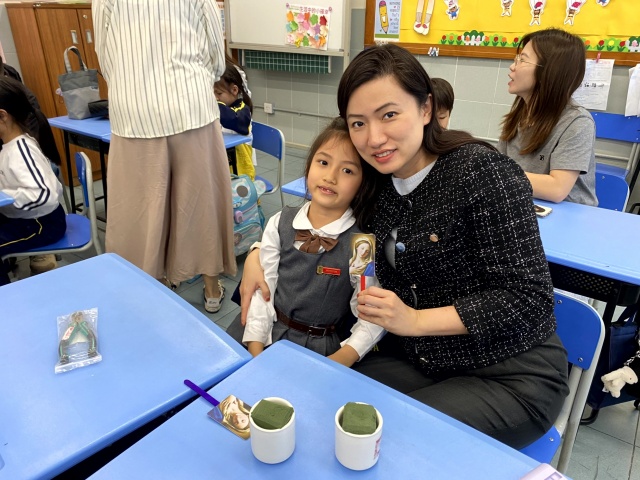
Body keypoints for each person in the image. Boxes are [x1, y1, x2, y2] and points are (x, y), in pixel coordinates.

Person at [240, 44, 569, 450]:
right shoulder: (379, 180)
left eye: (389, 115)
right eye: (358, 123)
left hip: (509, 373)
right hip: (418, 360)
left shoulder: (482, 173)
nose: (374, 137)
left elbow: (529, 298)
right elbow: (318, 218)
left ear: (426, 108)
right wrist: (257, 254)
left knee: (387, 439)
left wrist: (414, 320)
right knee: (320, 408)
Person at [93, 0, 236, 313]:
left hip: (134, 111)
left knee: (141, 212)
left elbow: (106, 58)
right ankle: (212, 290)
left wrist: (136, 82)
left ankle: (152, 292)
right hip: (190, 106)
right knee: (202, 206)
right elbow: (215, 57)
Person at [226, 118, 385, 363]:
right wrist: (255, 352)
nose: (330, 177)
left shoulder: (361, 245)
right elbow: (262, 292)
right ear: (309, 165)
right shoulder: (279, 222)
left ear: (363, 183)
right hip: (262, 335)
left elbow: (370, 315)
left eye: (347, 170)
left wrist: (341, 360)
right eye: (323, 162)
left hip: (319, 350)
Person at [499, 28, 597, 206]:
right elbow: (501, 165)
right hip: (525, 206)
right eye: (517, 58)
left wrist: (495, 173)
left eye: (523, 60)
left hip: (568, 215)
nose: (513, 67)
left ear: (550, 71)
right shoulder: (519, 114)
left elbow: (556, 189)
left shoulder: (578, 121)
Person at [0, 77, 66, 286]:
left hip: (42, 223)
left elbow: (43, 194)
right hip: (26, 217)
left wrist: (6, 197)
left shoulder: (21, 150)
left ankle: (6, 297)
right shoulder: (8, 146)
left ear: (2, 116)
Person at [215, 62, 256, 180]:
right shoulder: (221, 109)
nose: (215, 97)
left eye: (219, 93)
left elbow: (233, 120)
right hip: (224, 167)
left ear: (234, 90)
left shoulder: (242, 110)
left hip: (241, 172)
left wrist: (215, 105)